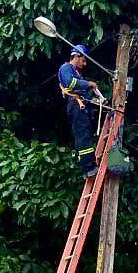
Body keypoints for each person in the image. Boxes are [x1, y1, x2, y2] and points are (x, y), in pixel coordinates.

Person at [58, 45, 99, 178]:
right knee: (83, 136)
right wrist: (88, 84)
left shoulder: (76, 73)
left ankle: (88, 167)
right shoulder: (66, 68)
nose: (85, 63)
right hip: (76, 106)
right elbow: (70, 84)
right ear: (76, 56)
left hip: (80, 106)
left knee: (85, 135)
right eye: (84, 60)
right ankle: (89, 167)